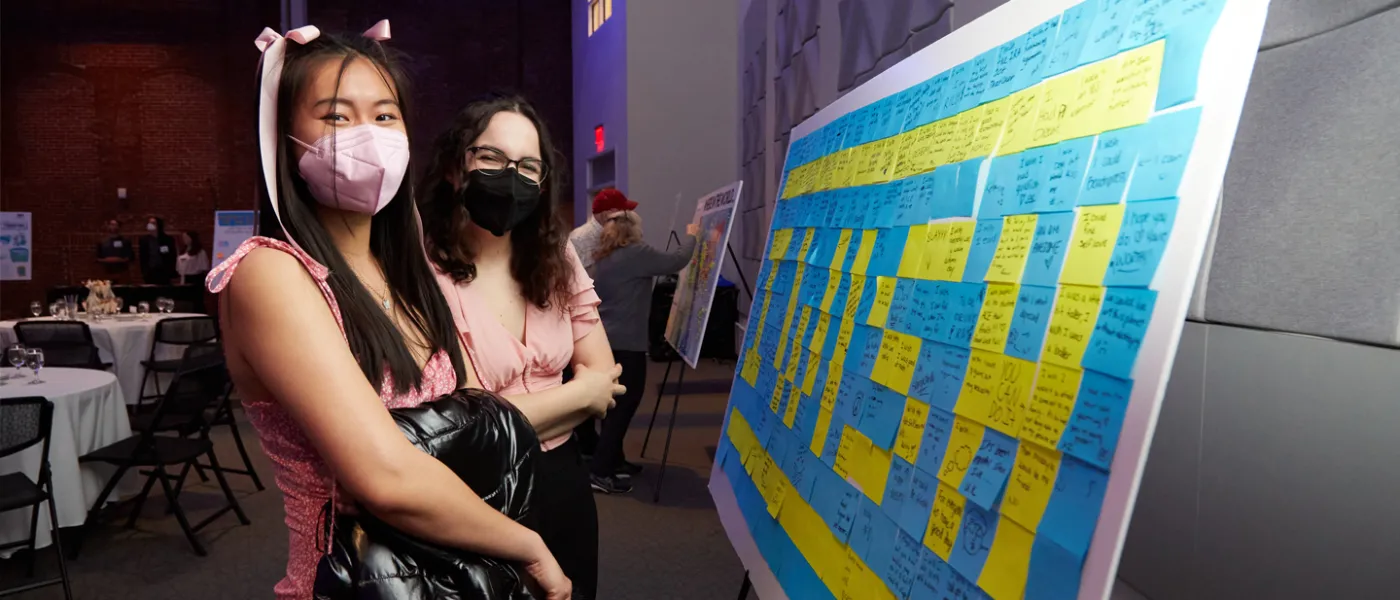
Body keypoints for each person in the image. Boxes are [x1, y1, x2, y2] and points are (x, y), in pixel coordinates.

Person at [205, 23, 570, 600]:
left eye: (384, 116)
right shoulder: (271, 273)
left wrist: (405, 457)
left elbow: (481, 420)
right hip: (363, 582)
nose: (367, 136)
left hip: (456, 572)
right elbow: (385, 479)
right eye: (334, 116)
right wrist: (530, 545)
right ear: (283, 138)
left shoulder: (405, 270)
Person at [421, 94, 623, 600]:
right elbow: (465, 427)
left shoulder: (556, 257)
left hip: (564, 482)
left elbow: (605, 371)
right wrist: (582, 396)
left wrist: (513, 414)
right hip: (476, 496)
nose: (511, 176)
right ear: (455, 166)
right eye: (491, 157)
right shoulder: (424, 270)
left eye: (529, 166)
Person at [586, 211, 698, 494]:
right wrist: (693, 235)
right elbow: (676, 260)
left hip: (606, 341)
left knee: (615, 404)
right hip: (628, 343)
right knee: (625, 404)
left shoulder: (605, 257)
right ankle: (600, 472)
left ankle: (615, 460)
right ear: (631, 231)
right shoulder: (636, 253)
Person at [570, 187, 635, 271]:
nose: (625, 218)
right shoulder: (579, 239)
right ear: (606, 214)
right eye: (622, 213)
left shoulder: (619, 234)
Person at [138, 216, 178, 284]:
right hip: (150, 271)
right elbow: (142, 257)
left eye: (153, 223)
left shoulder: (167, 239)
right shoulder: (144, 240)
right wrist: (144, 272)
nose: (150, 225)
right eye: (149, 223)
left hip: (164, 272)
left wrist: (171, 271)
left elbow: (172, 256)